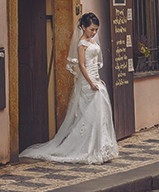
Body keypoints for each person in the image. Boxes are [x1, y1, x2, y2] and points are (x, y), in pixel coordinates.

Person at [19, 12, 119, 164]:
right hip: (87, 82)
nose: (94, 32)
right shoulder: (82, 44)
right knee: (89, 115)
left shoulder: (92, 41)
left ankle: (101, 147)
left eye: (96, 30)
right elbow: (82, 65)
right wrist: (91, 82)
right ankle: (86, 148)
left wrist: (98, 79)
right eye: (92, 29)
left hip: (95, 79)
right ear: (83, 27)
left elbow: (93, 63)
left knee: (99, 114)